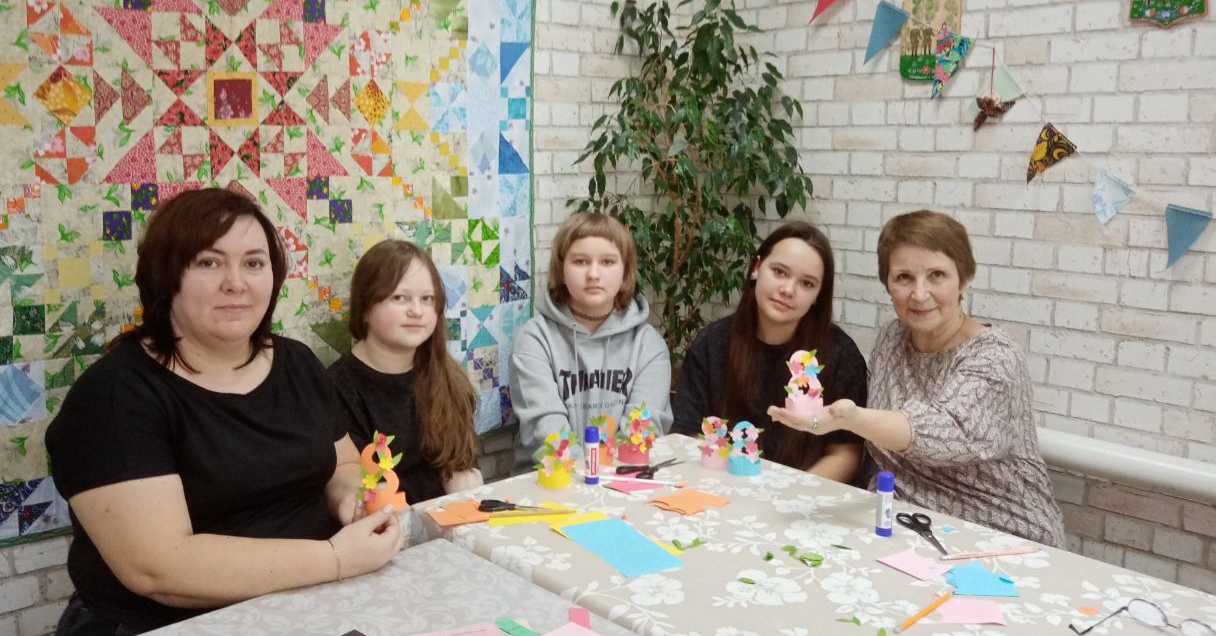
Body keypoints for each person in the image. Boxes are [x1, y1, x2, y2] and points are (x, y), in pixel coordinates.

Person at [45, 189, 402, 636]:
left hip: (301, 611)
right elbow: (160, 568)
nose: (235, 283)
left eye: (253, 263)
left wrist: (352, 502)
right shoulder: (115, 395)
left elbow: (342, 465)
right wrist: (335, 557)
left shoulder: (297, 363)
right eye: (209, 263)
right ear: (165, 276)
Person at [768, 210, 1065, 547]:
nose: (920, 294)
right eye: (904, 277)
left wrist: (852, 418)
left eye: (937, 275)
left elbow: (949, 433)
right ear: (887, 284)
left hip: (1000, 531)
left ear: (964, 279)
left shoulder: (996, 356)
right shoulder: (892, 339)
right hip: (905, 526)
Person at [673, 222, 867, 482]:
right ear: (756, 268)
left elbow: (845, 453)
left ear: (818, 295)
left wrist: (787, 494)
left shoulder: (841, 354)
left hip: (803, 493)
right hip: (722, 485)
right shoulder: (712, 343)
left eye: (807, 283)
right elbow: (688, 434)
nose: (788, 290)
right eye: (779, 272)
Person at [509, 211, 671, 473]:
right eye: (580, 261)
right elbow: (546, 431)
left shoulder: (648, 345)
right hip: (551, 482)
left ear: (625, 272)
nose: (593, 274)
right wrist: (588, 480)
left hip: (623, 479)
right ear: (561, 271)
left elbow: (642, 431)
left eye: (607, 262)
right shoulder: (534, 339)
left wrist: (607, 481)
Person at [328, 240, 482, 504]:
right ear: (365, 308)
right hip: (382, 522)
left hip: (449, 518)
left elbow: (461, 467)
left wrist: (468, 497)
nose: (417, 311)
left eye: (427, 299)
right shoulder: (337, 388)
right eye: (400, 298)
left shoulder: (448, 376)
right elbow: (356, 490)